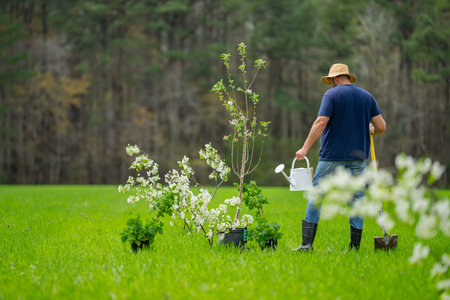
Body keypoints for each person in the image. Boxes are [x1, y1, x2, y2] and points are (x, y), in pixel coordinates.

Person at [292, 63, 386, 251]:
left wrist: (304, 148)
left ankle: (306, 244)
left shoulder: (331, 95)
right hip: (358, 158)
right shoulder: (367, 97)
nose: (330, 85)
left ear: (335, 79)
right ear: (347, 77)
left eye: (330, 81)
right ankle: (354, 247)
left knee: (317, 196)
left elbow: (320, 122)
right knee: (357, 199)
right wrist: (371, 130)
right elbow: (381, 126)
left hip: (331, 157)